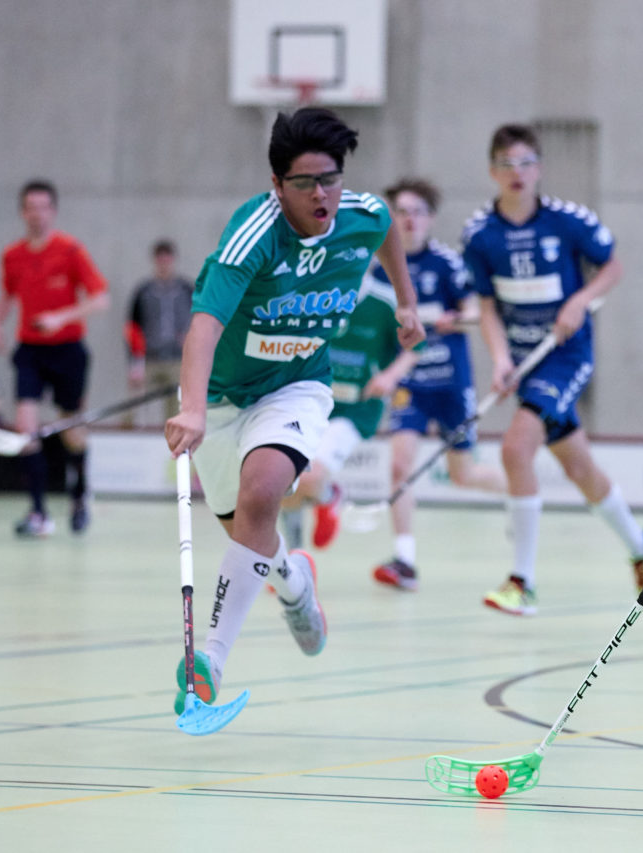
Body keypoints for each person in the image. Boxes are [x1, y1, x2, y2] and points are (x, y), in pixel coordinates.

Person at [163, 107, 424, 715]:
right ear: (277, 184)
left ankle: (210, 662)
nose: (321, 195)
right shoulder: (253, 236)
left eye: (330, 179)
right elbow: (205, 325)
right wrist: (193, 410)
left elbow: (386, 229)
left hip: (297, 386)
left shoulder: (360, 214)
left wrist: (406, 304)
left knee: (261, 496)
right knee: (246, 532)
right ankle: (295, 583)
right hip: (220, 401)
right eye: (304, 183)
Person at [462, 123, 643, 617]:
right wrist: (501, 358)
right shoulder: (479, 235)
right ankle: (641, 546)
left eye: (526, 162)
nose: (517, 172)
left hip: (568, 356)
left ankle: (522, 582)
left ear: (540, 169)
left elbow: (612, 267)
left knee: (515, 449)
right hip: (525, 363)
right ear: (492, 171)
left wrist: (580, 300)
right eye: (506, 164)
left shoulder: (569, 221)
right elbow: (486, 307)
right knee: (578, 468)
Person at [358, 177, 506, 590]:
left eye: (418, 212)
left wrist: (454, 318)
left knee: (463, 475)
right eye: (401, 212)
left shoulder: (446, 263)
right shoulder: (381, 271)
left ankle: (519, 494)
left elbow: (478, 312)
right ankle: (405, 561)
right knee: (399, 466)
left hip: (451, 383)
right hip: (411, 386)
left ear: (431, 218)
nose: (410, 220)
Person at [0, 179, 110, 537]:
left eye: (43, 207)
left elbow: (100, 298)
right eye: (31, 207)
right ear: (22, 212)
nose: (37, 214)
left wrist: (62, 317)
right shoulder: (13, 255)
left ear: (53, 211)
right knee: (26, 428)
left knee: (72, 431)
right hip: (30, 350)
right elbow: (8, 293)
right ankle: (39, 513)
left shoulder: (70, 250)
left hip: (68, 351)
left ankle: (78, 497)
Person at [278, 275, 422, 553]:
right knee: (285, 477)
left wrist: (390, 376)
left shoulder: (384, 301)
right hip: (307, 402)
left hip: (356, 409)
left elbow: (416, 347)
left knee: (309, 478)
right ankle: (293, 559)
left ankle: (329, 496)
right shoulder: (312, 293)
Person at [124, 239, 193, 426]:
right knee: (135, 403)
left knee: (177, 408)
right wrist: (135, 363)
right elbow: (133, 328)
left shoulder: (186, 289)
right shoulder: (143, 291)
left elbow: (198, 321)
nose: (164, 265)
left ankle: (171, 439)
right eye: (160, 260)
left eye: (167, 260)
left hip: (177, 358)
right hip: (150, 358)